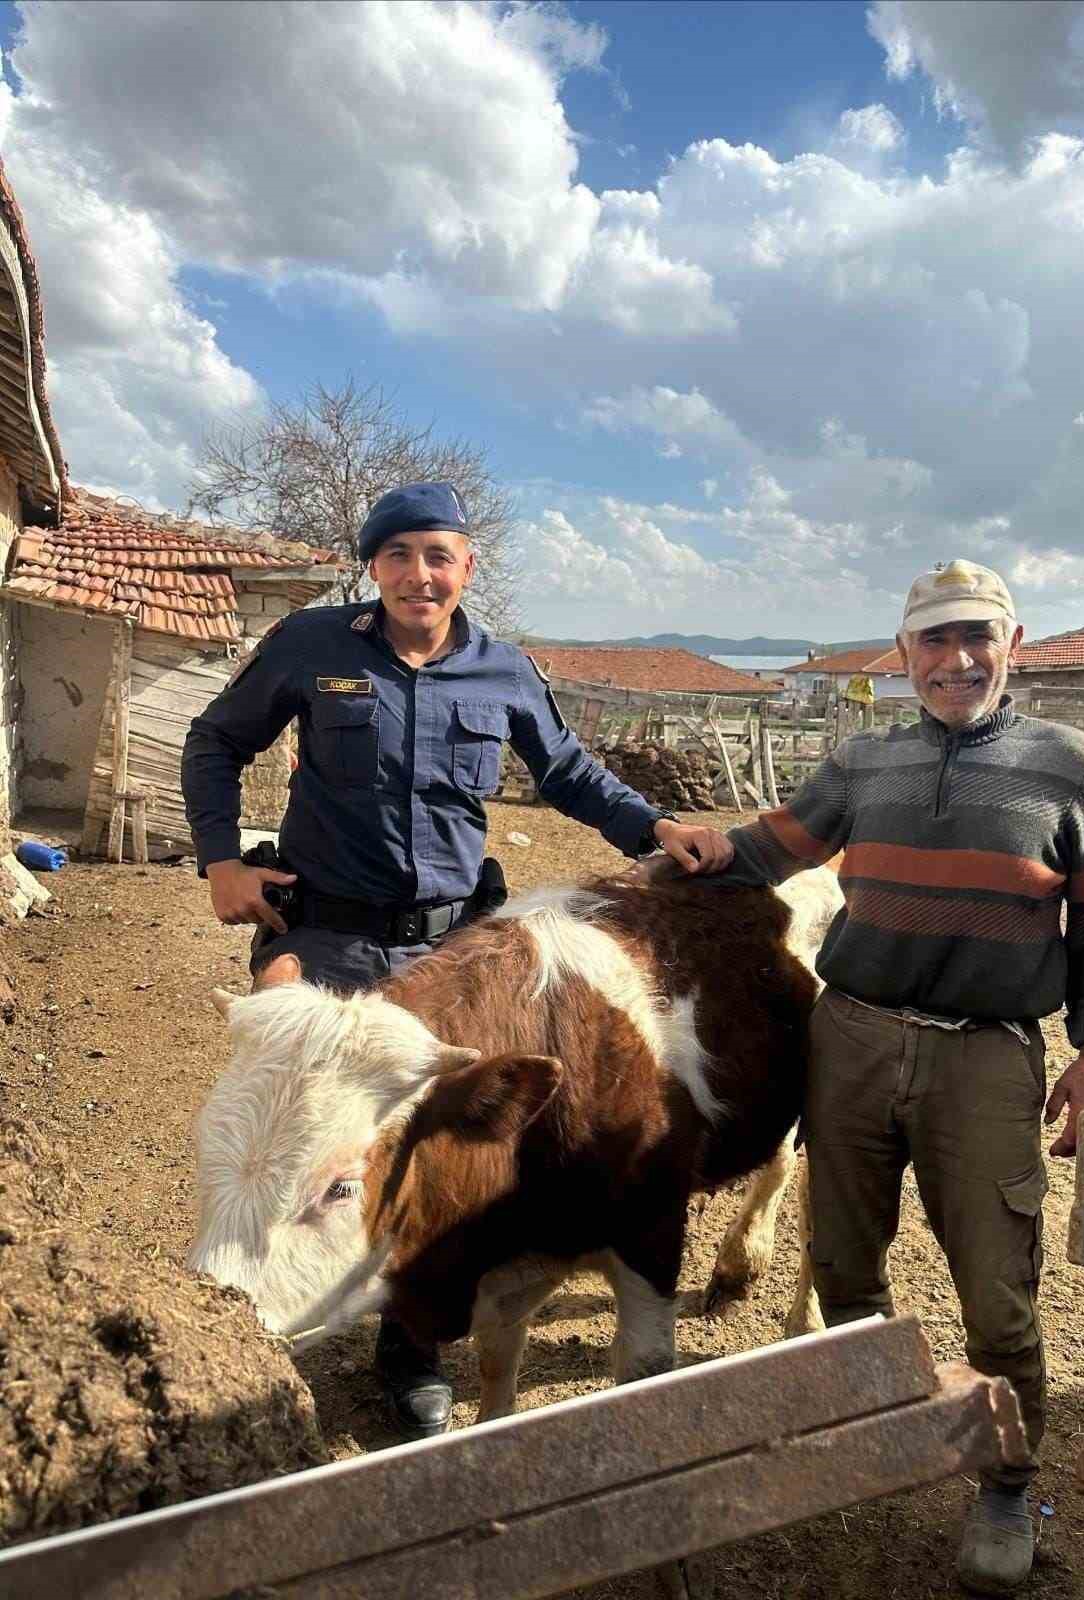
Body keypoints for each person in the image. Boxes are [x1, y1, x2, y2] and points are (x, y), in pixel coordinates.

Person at [181, 480, 732, 1440]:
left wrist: (656, 827)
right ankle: (243, 1316)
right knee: (299, 1134)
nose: (418, 575)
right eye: (398, 555)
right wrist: (222, 860)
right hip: (330, 936)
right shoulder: (312, 645)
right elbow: (214, 740)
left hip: (452, 947)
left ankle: (410, 1349)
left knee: (430, 1155)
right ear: (374, 566)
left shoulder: (502, 669)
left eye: (438, 556)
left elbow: (567, 773)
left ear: (467, 567)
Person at [702, 559, 1084, 1597]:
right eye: (935, 639)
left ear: (1013, 643)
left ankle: (1007, 1483)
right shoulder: (862, 761)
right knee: (843, 1263)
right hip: (850, 1038)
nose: (957, 659)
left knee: (998, 1292)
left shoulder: (1068, 765)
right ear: (904, 655)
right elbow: (767, 850)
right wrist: (668, 848)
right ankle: (875, 1423)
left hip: (986, 1054)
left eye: (977, 635)